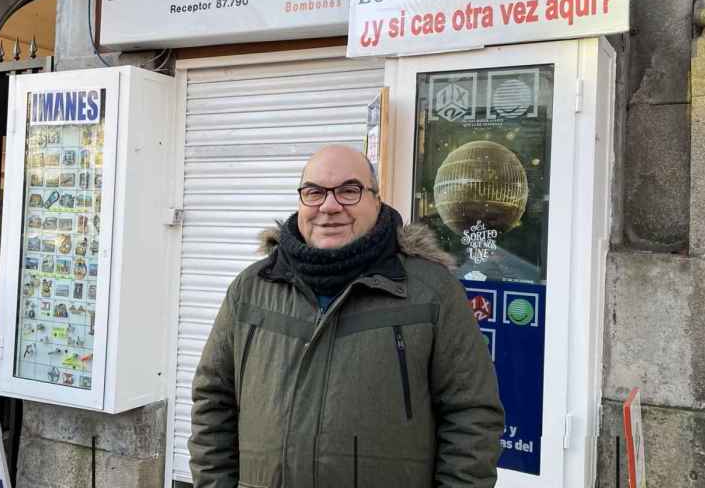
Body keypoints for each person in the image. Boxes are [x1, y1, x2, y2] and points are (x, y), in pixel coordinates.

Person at [189, 145, 504, 488]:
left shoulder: (432, 292)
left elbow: (471, 416)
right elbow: (213, 400)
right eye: (314, 192)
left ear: (377, 200)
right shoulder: (251, 288)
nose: (329, 206)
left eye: (349, 191)